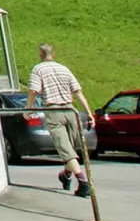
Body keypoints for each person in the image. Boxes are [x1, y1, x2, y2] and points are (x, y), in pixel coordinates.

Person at [25, 43, 95, 198]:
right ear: (53, 54)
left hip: (54, 110)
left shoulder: (38, 69)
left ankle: (83, 182)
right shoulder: (64, 69)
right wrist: (89, 113)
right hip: (70, 111)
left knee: (65, 150)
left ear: (40, 55)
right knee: (69, 147)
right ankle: (66, 175)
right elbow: (78, 92)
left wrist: (28, 109)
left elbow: (33, 91)